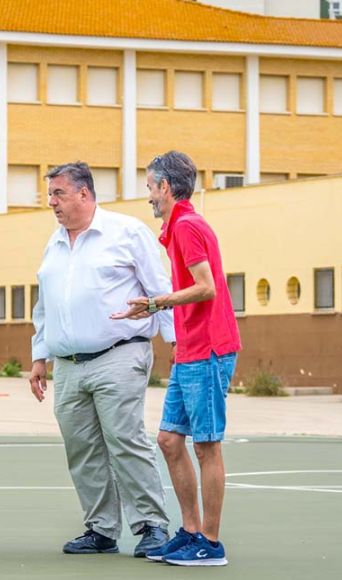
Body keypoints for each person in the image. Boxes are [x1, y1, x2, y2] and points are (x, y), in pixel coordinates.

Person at [28, 162, 176, 558]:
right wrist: (39, 355)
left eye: (58, 193)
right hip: (68, 365)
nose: (52, 202)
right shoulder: (54, 242)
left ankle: (152, 526)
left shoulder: (126, 232)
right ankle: (101, 528)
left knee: (124, 440)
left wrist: (176, 342)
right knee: (82, 447)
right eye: (50, 194)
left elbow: (161, 288)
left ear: (84, 194)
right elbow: (46, 305)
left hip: (119, 353)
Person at [111, 151, 241, 567]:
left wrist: (154, 303)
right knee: (169, 441)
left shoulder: (187, 226)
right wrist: (172, 332)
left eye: (150, 186)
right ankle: (189, 532)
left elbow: (206, 288)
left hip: (210, 350)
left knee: (206, 446)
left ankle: (211, 542)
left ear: (165, 187)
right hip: (191, 350)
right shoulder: (178, 228)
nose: (148, 195)